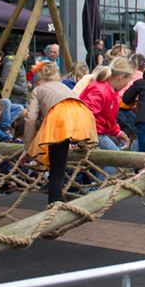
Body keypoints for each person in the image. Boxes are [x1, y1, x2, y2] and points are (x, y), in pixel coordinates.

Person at [19, 62, 98, 204]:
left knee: (56, 167)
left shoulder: (39, 89)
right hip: (82, 113)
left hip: (59, 118)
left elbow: (31, 119)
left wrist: (27, 147)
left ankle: (55, 200)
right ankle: (54, 191)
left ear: (40, 81)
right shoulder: (62, 86)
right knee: (59, 158)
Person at [79, 57, 133, 178]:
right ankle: (96, 188)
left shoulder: (109, 90)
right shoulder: (101, 90)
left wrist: (117, 132)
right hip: (93, 133)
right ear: (121, 77)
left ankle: (96, 183)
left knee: (113, 158)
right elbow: (86, 113)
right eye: (127, 81)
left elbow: (107, 118)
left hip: (97, 131)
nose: (126, 86)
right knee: (117, 159)